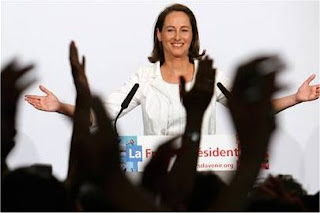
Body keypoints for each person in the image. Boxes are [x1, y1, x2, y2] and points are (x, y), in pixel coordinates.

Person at [25, 3, 320, 135]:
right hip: (159, 180)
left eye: (184, 30)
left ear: (193, 35)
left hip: (206, 177)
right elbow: (97, 115)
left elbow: (251, 111)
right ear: (159, 35)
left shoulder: (211, 77)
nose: (177, 37)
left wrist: (295, 98)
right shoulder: (143, 79)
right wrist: (60, 106)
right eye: (170, 30)